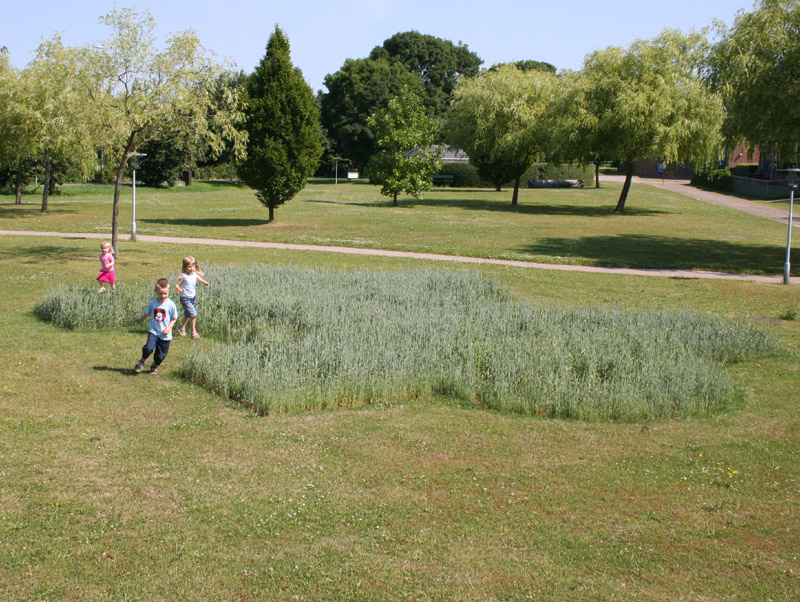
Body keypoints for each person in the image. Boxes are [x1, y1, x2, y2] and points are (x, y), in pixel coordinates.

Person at [134, 278, 178, 375]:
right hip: (154, 331)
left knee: (160, 355)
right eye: (160, 294)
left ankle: (155, 365)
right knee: (149, 348)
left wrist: (169, 328)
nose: (163, 296)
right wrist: (140, 319)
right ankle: (143, 361)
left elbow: (174, 318)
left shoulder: (171, 305)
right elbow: (147, 313)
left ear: (168, 291)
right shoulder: (153, 303)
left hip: (165, 334)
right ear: (155, 292)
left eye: (165, 293)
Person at [175, 256, 210, 339]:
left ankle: (181, 328)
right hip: (185, 298)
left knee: (187, 314)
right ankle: (193, 331)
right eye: (189, 266)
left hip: (192, 298)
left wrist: (205, 283)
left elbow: (200, 279)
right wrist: (179, 289)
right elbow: (177, 284)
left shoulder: (194, 274)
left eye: (193, 266)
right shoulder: (184, 276)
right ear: (185, 267)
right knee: (193, 314)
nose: (192, 268)